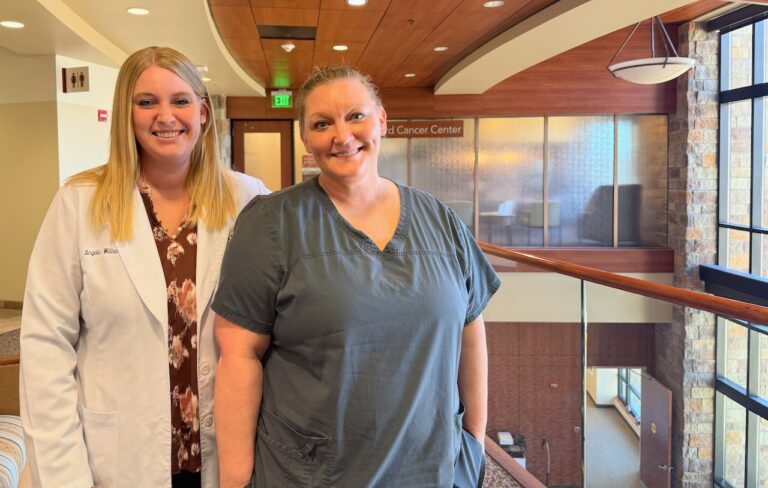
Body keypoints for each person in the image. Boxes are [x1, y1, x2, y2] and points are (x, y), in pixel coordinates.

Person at [212, 66, 500, 488]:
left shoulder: (440, 221)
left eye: (356, 116)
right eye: (322, 123)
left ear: (381, 121)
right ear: (305, 138)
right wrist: (235, 484)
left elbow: (470, 332)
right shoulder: (271, 224)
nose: (342, 136)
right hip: (312, 474)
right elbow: (239, 357)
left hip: (431, 469)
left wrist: (474, 441)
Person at [19, 46, 269, 488]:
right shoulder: (79, 203)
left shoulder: (249, 200)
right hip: (115, 461)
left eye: (180, 100)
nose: (165, 115)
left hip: (225, 458)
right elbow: (45, 345)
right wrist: (63, 475)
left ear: (204, 111)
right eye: (146, 102)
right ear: (125, 114)